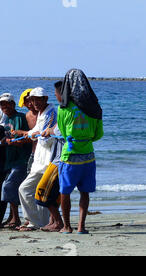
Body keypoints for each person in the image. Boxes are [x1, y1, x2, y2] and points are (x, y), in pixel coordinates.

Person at [57, 69, 103, 234]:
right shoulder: (95, 108)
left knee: (65, 191)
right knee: (85, 192)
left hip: (70, 156)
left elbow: (62, 131)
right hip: (88, 155)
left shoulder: (63, 108)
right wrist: (86, 139)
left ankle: (67, 226)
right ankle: (81, 226)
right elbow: (99, 134)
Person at [18, 87, 56, 231]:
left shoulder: (51, 113)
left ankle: (35, 222)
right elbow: (36, 132)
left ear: (45, 99)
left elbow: (47, 140)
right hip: (39, 162)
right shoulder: (42, 113)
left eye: (38, 99)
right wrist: (32, 134)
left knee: (27, 189)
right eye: (32, 100)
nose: (35, 103)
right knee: (38, 193)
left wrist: (37, 135)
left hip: (47, 161)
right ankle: (40, 222)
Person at [0, 93, 31, 229]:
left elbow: (25, 138)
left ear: (13, 104)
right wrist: (1, 142)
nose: (4, 106)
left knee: (8, 186)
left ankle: (16, 218)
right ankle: (12, 217)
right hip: (10, 159)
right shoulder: (5, 120)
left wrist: (11, 142)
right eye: (2, 104)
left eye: (7, 103)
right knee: (12, 188)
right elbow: (7, 138)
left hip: (21, 159)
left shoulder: (20, 117)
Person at [35, 81, 65, 232]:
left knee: (42, 191)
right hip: (62, 156)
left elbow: (62, 131)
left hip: (61, 158)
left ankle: (59, 222)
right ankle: (56, 222)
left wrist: (50, 131)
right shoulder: (67, 109)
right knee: (58, 192)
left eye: (56, 93)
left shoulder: (63, 110)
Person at [17, 89, 38, 175]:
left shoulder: (45, 113)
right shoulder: (27, 116)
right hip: (33, 152)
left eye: (30, 100)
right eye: (26, 101)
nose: (29, 104)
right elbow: (29, 136)